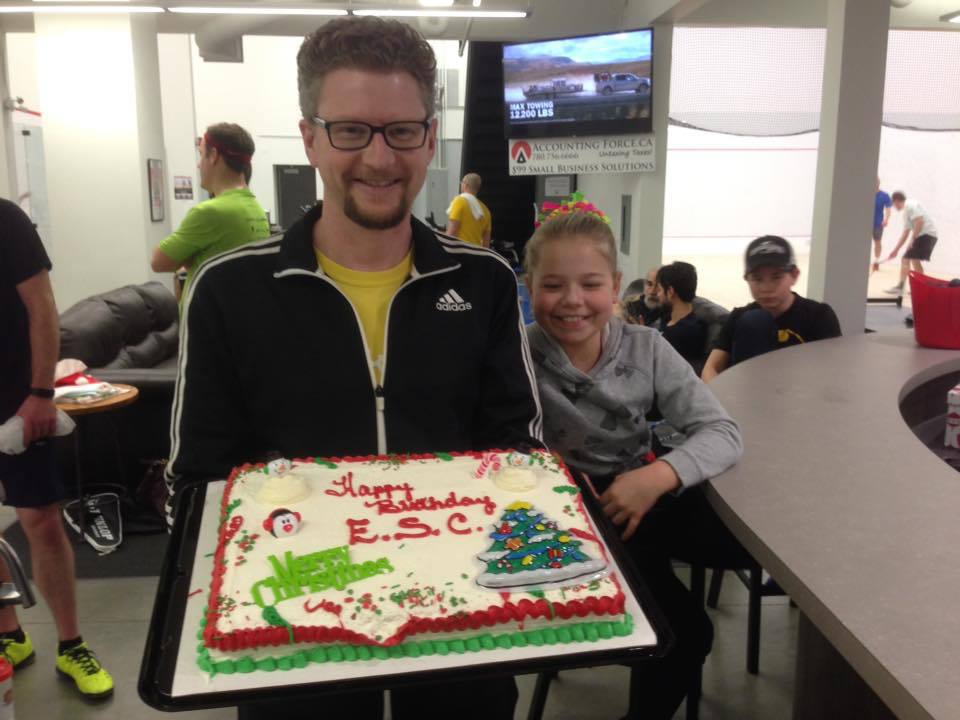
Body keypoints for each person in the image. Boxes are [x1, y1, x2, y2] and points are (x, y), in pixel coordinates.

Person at [164, 17, 541, 720]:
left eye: (401, 130)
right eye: (350, 131)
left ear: (430, 137)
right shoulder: (228, 290)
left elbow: (517, 450)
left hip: (461, 659)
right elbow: (198, 486)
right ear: (310, 136)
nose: (379, 156)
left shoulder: (486, 282)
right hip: (297, 668)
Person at [524, 208, 743, 720]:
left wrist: (658, 476)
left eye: (591, 284)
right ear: (529, 285)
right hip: (567, 519)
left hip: (643, 494)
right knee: (683, 633)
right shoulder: (516, 352)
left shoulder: (648, 348)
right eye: (553, 285)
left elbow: (722, 431)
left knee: (755, 549)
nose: (573, 301)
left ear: (617, 285)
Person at [0, 199, 113, 698]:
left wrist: (41, 393)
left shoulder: (6, 220)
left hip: (16, 399)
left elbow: (42, 306)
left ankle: (72, 645)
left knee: (41, 521)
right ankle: (10, 635)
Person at [151, 122, 270, 298]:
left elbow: (158, 262)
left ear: (213, 155)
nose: (198, 165)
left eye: (201, 155)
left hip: (207, 321)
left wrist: (189, 257)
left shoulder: (210, 213)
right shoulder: (256, 209)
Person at [702, 235, 841, 381]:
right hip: (746, 396)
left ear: (794, 275)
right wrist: (722, 400)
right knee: (754, 320)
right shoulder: (739, 317)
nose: (766, 288)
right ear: (747, 279)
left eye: (776, 277)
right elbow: (711, 368)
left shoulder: (819, 315)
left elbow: (833, 371)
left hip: (804, 396)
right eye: (757, 279)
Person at [885, 191, 938, 295]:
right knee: (914, 260)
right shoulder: (906, 212)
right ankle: (921, 287)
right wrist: (895, 250)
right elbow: (905, 234)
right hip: (928, 235)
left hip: (926, 235)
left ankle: (901, 287)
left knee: (906, 259)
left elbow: (920, 221)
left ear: (896, 201)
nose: (895, 207)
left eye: (894, 205)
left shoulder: (910, 205)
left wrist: (913, 239)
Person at [655, 261, 706, 367]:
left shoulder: (687, 332)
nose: (657, 294)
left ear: (670, 292)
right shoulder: (667, 317)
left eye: (659, 289)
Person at [445, 172, 492, 247]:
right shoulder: (485, 210)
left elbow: (452, 231)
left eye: (462, 182)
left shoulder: (460, 201)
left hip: (460, 253)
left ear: (465, 185)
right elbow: (486, 243)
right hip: (476, 253)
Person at [872, 178, 892, 270]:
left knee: (878, 242)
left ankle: (876, 262)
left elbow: (888, 208)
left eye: (876, 182)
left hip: (878, 224)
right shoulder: (864, 193)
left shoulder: (884, 196)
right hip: (864, 224)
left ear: (878, 183)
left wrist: (886, 219)